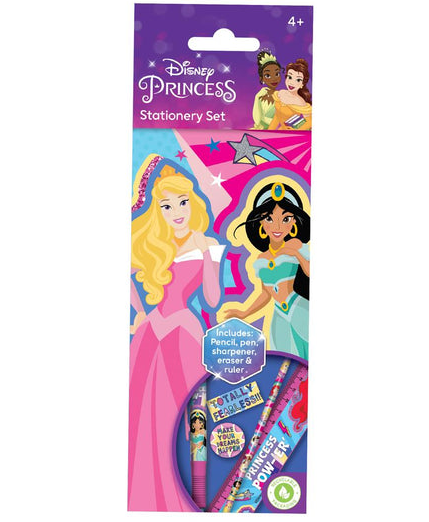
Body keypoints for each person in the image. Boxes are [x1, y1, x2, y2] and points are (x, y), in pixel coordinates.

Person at [128, 154, 225, 511]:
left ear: (192, 201)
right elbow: (130, 280)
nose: (177, 212)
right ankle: (149, 497)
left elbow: (212, 299)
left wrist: (205, 256)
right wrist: (143, 314)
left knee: (189, 415)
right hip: (151, 335)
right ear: (158, 211)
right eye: (166, 206)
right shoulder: (154, 246)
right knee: (145, 415)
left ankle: (191, 496)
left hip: (185, 334)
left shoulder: (206, 244)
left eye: (182, 202)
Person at [223, 181, 310, 359]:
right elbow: (266, 294)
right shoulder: (261, 259)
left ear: (294, 221)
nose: (277, 227)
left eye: (285, 219)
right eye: (269, 219)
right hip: (279, 318)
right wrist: (244, 313)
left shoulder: (295, 245)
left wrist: (296, 254)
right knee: (285, 360)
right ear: (261, 222)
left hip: (300, 309)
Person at [268, 59, 312, 131]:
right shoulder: (280, 93)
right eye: (290, 77)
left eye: (298, 80)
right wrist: (269, 131)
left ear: (302, 84)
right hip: (280, 130)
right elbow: (276, 117)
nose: (291, 82)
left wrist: (295, 129)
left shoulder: (300, 102)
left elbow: (309, 121)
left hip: (291, 133)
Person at [251, 50, 282, 129]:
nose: (274, 79)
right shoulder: (261, 95)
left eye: (277, 74)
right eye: (268, 75)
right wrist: (257, 98)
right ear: (262, 79)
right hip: (260, 130)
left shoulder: (282, 96)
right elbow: (257, 119)